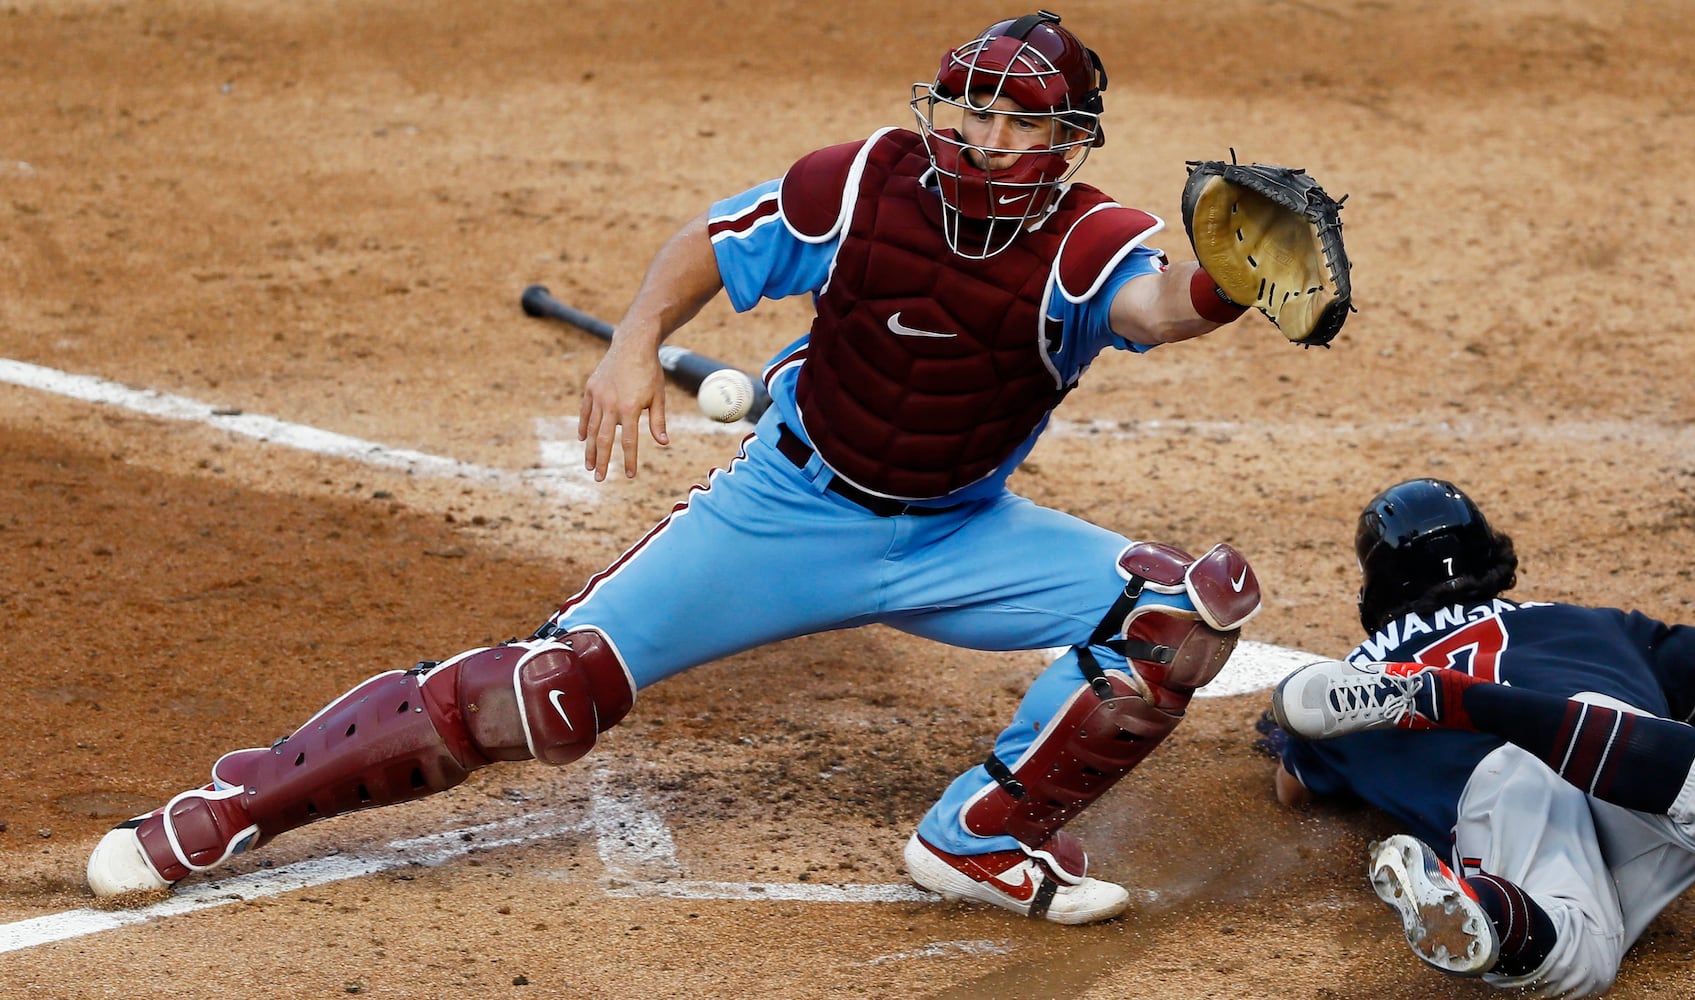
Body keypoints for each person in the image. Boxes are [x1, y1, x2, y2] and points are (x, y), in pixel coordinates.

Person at [86, 12, 1275, 925]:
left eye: (1019, 125)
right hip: (786, 509)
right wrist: (636, 343)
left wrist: (1234, 280)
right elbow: (713, 240)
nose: (987, 138)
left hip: (959, 534)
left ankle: (977, 837)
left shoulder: (1091, 240)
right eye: (970, 111)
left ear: (1069, 145)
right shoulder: (858, 182)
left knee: (1181, 615)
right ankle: (236, 804)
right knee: (549, 692)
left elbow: (1158, 307)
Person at [1256, 478, 1695, 996]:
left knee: (1573, 965)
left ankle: (1485, 887)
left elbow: (1294, 791)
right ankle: (1487, 899)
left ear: (1377, 590)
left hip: (1507, 798)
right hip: (1616, 753)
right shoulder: (1597, 625)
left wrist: (1290, 748)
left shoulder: (1355, 686)